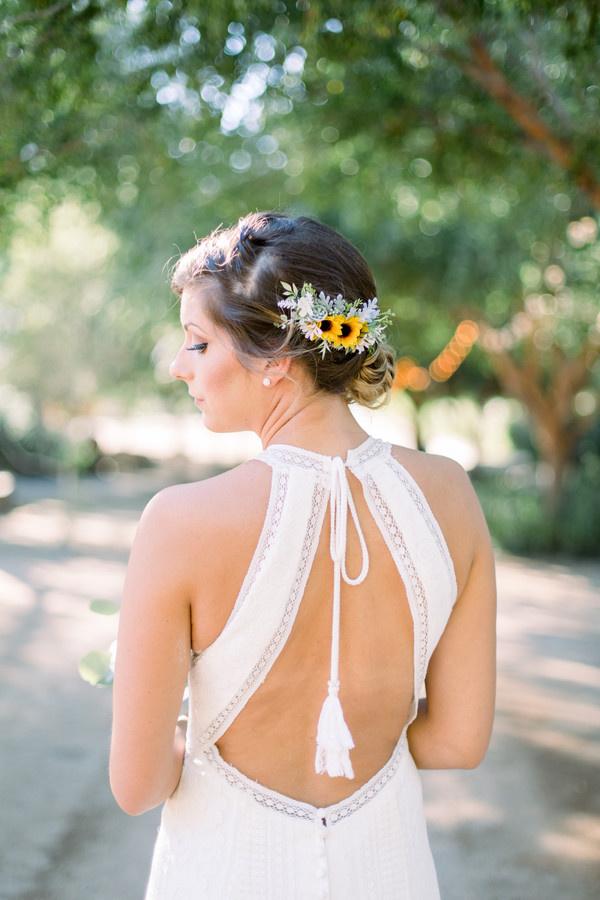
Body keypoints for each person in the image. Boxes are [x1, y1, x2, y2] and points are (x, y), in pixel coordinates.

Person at [109, 211, 497, 899]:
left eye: (197, 343)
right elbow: (460, 742)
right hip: (390, 871)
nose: (177, 366)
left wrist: (161, 705)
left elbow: (138, 786)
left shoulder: (179, 524)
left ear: (278, 359)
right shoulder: (452, 497)